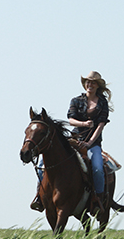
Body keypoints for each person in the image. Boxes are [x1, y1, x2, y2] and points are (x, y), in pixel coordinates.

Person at [30, 71, 112, 213]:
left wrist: (90, 142)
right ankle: (39, 196)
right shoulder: (76, 100)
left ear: (98, 85)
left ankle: (97, 199)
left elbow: (101, 125)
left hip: (93, 143)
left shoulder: (102, 102)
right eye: (87, 82)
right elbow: (71, 120)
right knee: (43, 164)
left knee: (98, 168)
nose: (89, 84)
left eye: (93, 82)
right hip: (74, 139)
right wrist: (84, 124)